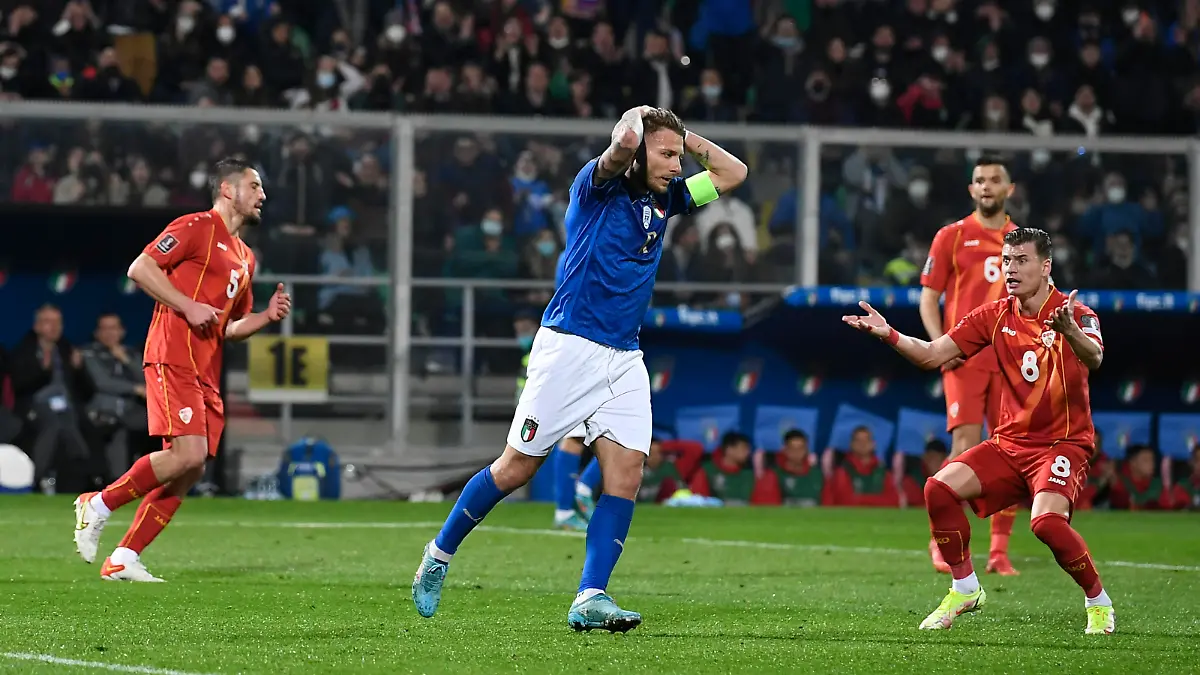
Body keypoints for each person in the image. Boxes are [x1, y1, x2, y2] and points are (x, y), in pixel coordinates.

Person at [411, 106, 747, 632]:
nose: (676, 167)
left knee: (626, 476)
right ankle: (438, 554)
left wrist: (681, 138)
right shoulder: (596, 188)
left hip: (624, 357)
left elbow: (733, 174)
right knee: (516, 468)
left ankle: (590, 595)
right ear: (637, 152)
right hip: (569, 347)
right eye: (665, 156)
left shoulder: (669, 199)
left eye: (678, 158)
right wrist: (634, 130)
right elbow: (616, 153)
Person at [843, 227, 1115, 635]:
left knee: (1045, 524)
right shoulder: (995, 314)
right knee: (939, 488)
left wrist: (1069, 331)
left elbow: (1093, 358)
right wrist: (891, 336)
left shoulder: (1074, 313)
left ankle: (1099, 602)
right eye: (1007, 260)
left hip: (1062, 443)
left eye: (1021, 260)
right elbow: (934, 355)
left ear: (1046, 266)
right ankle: (965, 588)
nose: (1010, 269)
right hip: (1010, 443)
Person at [72, 158, 293, 582]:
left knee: (191, 468)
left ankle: (124, 558)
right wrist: (186, 304)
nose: (262, 195)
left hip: (206, 368)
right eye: (254, 186)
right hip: (172, 354)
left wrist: (265, 317)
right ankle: (97, 504)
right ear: (228, 190)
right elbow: (141, 268)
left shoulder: (247, 258)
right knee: (186, 456)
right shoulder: (195, 227)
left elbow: (228, 326)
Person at [918, 155, 1019, 576]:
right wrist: (940, 345)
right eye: (980, 180)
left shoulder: (1023, 241)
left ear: (1009, 189)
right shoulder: (952, 236)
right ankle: (942, 540)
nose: (987, 186)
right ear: (970, 190)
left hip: (1012, 359)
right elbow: (929, 296)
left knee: (1013, 452)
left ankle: (998, 552)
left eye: (995, 180)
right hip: (965, 357)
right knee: (964, 447)